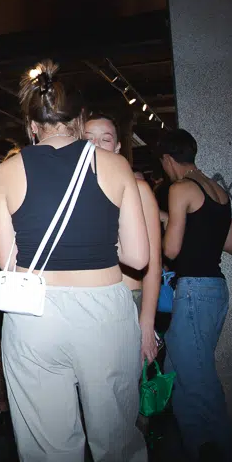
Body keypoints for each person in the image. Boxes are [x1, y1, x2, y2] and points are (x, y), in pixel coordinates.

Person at [0, 60, 150, 462]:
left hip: (33, 317)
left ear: (32, 125)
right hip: (103, 312)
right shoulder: (113, 165)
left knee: (49, 451)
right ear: (80, 120)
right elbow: (138, 258)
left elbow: (7, 261)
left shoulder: (6, 171)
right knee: (117, 445)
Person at [157, 128, 232, 462]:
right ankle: (201, 455)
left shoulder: (180, 189)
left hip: (192, 291)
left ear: (167, 159)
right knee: (177, 374)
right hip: (216, 289)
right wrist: (169, 218)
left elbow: (172, 250)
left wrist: (165, 228)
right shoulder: (218, 191)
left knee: (200, 383)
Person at [84, 113, 163, 365]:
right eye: (88, 139)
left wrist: (147, 324)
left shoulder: (138, 189)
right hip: (83, 302)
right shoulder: (74, 193)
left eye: (105, 139)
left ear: (117, 147)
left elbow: (153, 264)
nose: (96, 145)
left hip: (126, 300)